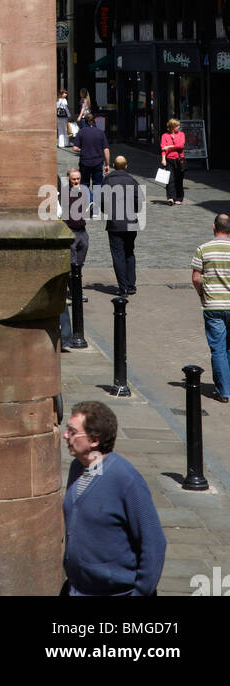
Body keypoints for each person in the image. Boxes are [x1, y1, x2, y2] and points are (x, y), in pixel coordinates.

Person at [62, 401, 166, 596]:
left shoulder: (125, 479)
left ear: (94, 440)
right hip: (78, 589)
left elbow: (154, 542)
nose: (65, 435)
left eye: (72, 432)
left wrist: (140, 592)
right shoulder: (78, 467)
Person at [191, 213, 230, 403]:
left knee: (218, 349)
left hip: (212, 305)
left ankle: (223, 391)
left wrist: (202, 295)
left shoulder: (203, 249)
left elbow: (196, 278)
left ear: (214, 227)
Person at [100, 154, 144, 296]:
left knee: (118, 254)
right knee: (129, 252)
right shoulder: (132, 180)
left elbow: (103, 202)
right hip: (131, 222)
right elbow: (139, 202)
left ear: (114, 165)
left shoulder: (108, 180)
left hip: (115, 223)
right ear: (126, 166)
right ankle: (131, 285)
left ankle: (123, 286)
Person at [71, 113, 110, 200]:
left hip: (85, 161)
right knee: (98, 183)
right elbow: (106, 150)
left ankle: (88, 200)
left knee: (84, 183)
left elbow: (75, 148)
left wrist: (82, 149)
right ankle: (96, 202)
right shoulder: (100, 133)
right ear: (94, 121)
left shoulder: (81, 132)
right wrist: (107, 164)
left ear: (85, 122)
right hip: (98, 162)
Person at [58, 166, 90, 269]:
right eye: (74, 179)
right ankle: (72, 280)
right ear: (69, 179)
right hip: (70, 229)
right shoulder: (64, 192)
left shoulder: (84, 190)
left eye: (78, 179)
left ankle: (77, 275)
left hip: (82, 229)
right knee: (72, 261)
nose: (76, 181)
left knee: (82, 254)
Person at [160, 117, 186, 205]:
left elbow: (181, 146)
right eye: (177, 125)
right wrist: (163, 159)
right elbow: (163, 148)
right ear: (172, 126)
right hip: (169, 159)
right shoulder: (164, 135)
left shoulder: (181, 134)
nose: (179, 127)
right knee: (169, 179)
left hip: (179, 159)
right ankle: (170, 197)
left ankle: (179, 197)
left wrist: (169, 147)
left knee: (179, 179)